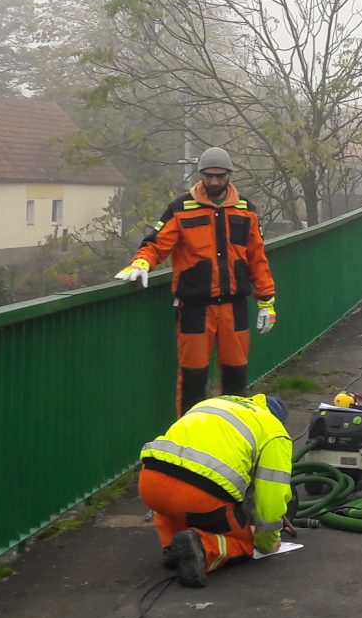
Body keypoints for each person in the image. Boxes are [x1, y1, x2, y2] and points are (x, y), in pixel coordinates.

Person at [115, 147, 277, 416]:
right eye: (208, 176)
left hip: (234, 307)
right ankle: (189, 434)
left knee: (236, 376)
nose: (214, 181)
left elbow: (257, 258)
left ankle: (232, 431)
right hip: (194, 308)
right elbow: (155, 244)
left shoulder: (246, 210)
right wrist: (141, 263)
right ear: (200, 174)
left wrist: (266, 302)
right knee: (193, 378)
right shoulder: (180, 209)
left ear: (229, 175)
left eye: (220, 176)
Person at [138, 393, 293, 587]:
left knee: (171, 502)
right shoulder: (274, 430)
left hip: (150, 481)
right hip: (200, 494)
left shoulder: (217, 403)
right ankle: (201, 548)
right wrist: (267, 542)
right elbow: (271, 499)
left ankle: (171, 546)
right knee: (245, 542)